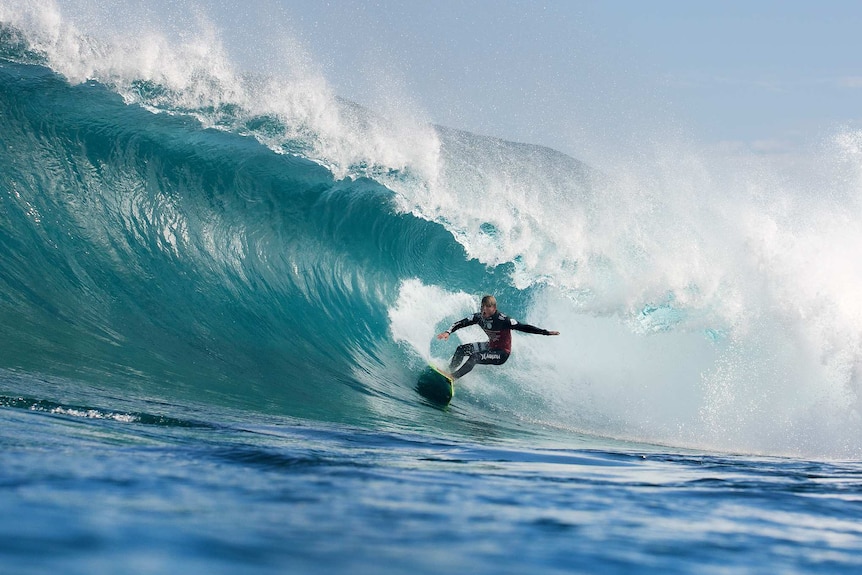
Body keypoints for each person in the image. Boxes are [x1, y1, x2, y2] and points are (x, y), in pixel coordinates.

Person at [436, 295, 560, 379]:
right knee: (461, 349)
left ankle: (453, 377)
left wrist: (545, 332)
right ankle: (448, 373)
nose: (484, 309)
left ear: (494, 308)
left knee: (475, 357)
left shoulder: (504, 320)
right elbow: (460, 323)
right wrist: (448, 332)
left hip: (501, 353)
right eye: (482, 306)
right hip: (490, 346)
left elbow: (524, 327)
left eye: (487, 307)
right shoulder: (478, 317)